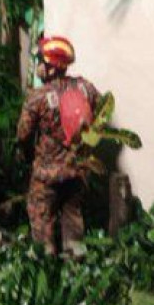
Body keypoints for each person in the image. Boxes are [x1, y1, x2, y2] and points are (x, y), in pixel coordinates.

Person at [17, 36, 101, 256]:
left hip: (47, 174)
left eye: (41, 61)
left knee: (41, 218)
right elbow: (100, 113)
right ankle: (76, 263)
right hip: (77, 169)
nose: (38, 66)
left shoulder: (38, 97)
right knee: (73, 217)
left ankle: (45, 264)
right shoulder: (86, 88)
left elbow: (23, 134)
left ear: (52, 67)